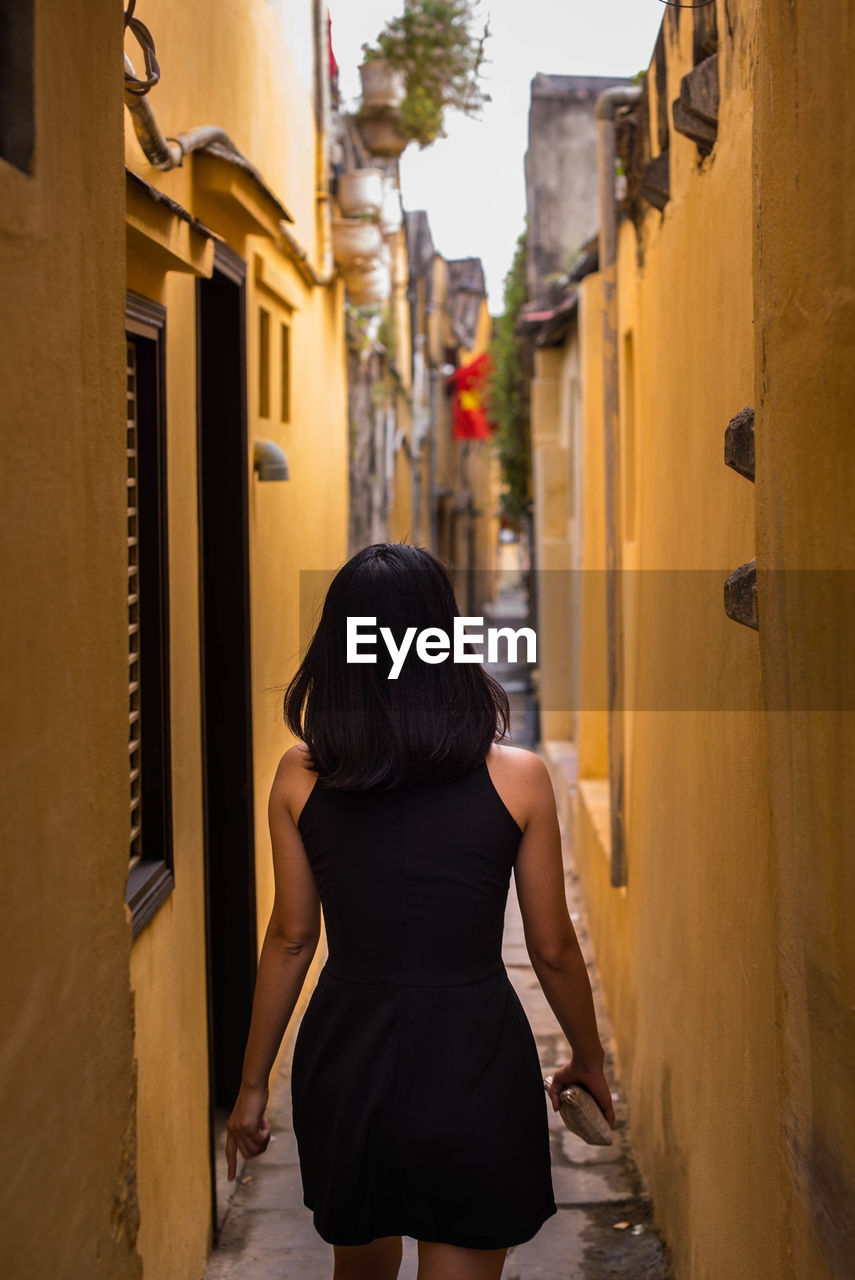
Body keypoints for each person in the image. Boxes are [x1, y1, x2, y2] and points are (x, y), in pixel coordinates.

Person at [225, 543, 614, 1280]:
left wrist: (250, 1087)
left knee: (359, 1267)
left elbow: (289, 939)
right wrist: (587, 1060)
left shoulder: (298, 776)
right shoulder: (519, 778)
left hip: (346, 1051)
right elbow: (554, 948)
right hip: (473, 1052)